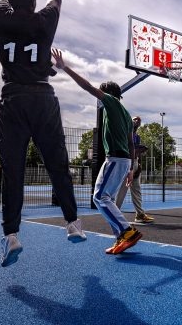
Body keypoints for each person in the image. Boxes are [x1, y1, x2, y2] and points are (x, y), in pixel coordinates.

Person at [0, 0, 86, 267]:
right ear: (34, 1)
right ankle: (72, 223)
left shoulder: (0, 16)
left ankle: (12, 236)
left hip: (14, 99)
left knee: (13, 170)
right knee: (57, 163)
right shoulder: (46, 19)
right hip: (43, 99)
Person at [51, 48, 142, 255]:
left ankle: (127, 231)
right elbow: (131, 143)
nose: (99, 99)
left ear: (108, 94)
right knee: (105, 198)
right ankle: (122, 236)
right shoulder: (127, 115)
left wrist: (65, 68)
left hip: (116, 158)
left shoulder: (110, 102)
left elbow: (88, 87)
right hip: (124, 160)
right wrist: (131, 168)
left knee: (100, 197)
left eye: (101, 95)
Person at [116, 116, 155, 224]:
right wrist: (130, 167)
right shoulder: (124, 134)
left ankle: (140, 214)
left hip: (135, 163)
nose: (137, 121)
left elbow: (135, 151)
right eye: (135, 119)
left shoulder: (137, 137)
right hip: (126, 163)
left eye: (139, 120)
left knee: (136, 190)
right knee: (122, 190)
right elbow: (127, 150)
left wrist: (138, 164)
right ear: (130, 122)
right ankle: (114, 214)